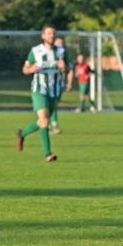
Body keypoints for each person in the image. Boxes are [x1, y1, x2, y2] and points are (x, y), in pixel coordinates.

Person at [15, 25, 66, 162]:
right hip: (39, 90)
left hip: (54, 91)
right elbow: (25, 69)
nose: (52, 36)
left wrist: (64, 67)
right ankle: (48, 154)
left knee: (42, 121)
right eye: (49, 33)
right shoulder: (36, 51)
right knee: (44, 120)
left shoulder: (61, 51)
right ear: (43, 36)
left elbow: (68, 68)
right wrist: (32, 69)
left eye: (53, 33)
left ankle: (22, 133)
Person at [49, 37, 73, 134]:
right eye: (58, 42)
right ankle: (52, 125)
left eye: (62, 43)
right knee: (51, 104)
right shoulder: (46, 52)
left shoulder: (64, 54)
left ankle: (50, 124)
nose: (60, 44)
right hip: (48, 83)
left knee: (54, 104)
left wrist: (69, 83)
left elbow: (70, 70)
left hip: (59, 83)